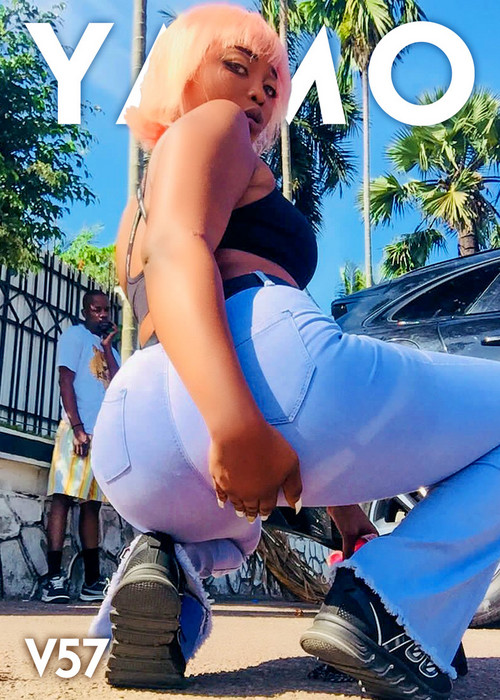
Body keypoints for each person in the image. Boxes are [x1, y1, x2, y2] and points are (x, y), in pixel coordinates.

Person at [89, 5, 500, 698]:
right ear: (182, 74)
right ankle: (389, 605)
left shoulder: (138, 203)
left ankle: (165, 566)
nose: (258, 93)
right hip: (248, 367)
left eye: (272, 85)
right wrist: (233, 423)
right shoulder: (214, 126)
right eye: (237, 67)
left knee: (233, 528)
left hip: (137, 438)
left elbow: (163, 285)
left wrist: (349, 518)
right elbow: (180, 251)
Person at [42, 290, 120, 604]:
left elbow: (118, 384)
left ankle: (91, 581)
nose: (102, 315)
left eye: (106, 310)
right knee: (62, 498)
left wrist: (108, 347)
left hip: (100, 437)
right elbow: (65, 381)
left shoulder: (107, 347)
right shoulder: (74, 336)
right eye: (96, 309)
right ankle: (53, 578)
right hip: (77, 431)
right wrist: (76, 428)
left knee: (91, 505)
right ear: (85, 310)